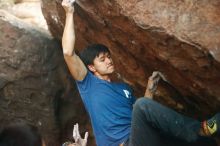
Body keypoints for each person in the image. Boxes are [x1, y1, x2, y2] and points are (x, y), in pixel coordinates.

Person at [61, 0, 220, 145]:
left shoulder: (124, 89)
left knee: (198, 142)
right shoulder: (88, 84)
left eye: (109, 57)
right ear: (91, 67)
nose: (109, 61)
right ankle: (202, 128)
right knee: (142, 106)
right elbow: (68, 52)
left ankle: (206, 138)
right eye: (102, 59)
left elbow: (142, 117)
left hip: (140, 139)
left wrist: (150, 88)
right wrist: (69, 13)